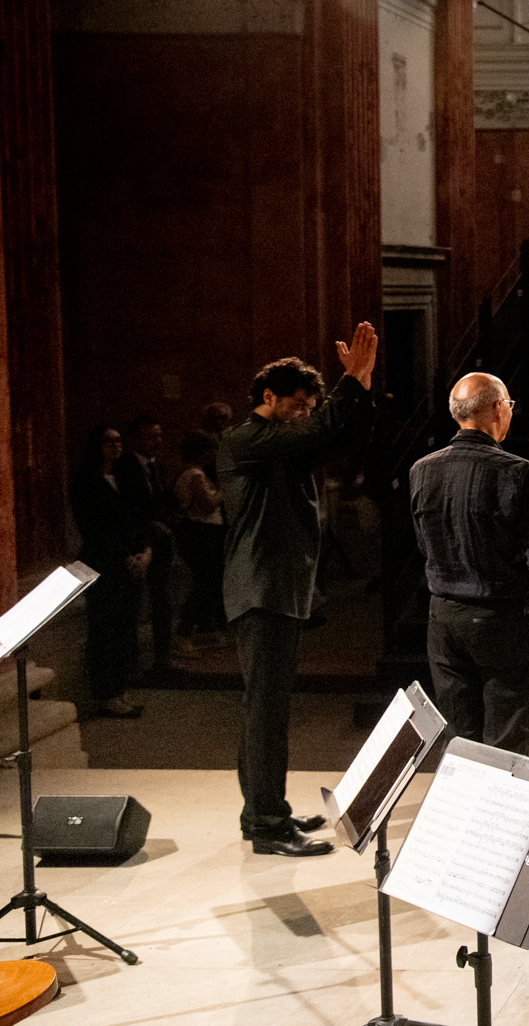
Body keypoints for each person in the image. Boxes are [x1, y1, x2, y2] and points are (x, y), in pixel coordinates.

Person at [220, 323, 378, 855]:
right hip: (260, 591)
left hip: (279, 592)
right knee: (265, 711)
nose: (308, 411)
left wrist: (361, 386)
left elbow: (339, 438)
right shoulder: (246, 439)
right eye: (299, 403)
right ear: (269, 398)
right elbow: (316, 433)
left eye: (314, 403)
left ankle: (266, 811)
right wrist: (347, 383)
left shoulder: (284, 446)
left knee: (270, 709)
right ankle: (265, 824)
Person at [411, 374, 529, 754]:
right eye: (509, 403)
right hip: (501, 616)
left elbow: (425, 545)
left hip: (442, 617)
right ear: (496, 407)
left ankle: (462, 812)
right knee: (507, 738)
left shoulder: (421, 470)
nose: (510, 410)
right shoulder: (516, 471)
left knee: (459, 738)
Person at [71, 425, 149, 718]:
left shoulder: (127, 478)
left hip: (132, 562)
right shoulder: (86, 482)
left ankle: (119, 688)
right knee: (104, 628)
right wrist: (126, 556)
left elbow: (140, 518)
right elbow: (93, 528)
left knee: (125, 628)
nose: (115, 446)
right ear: (97, 446)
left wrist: (144, 552)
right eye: (108, 441)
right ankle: (105, 692)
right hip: (102, 562)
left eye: (118, 441)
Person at [120, 414, 183, 671]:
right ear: (135, 438)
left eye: (158, 435)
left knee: (163, 598)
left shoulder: (157, 466)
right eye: (149, 435)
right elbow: (129, 505)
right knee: (132, 601)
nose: (156, 441)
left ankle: (163, 657)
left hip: (161, 538)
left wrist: (172, 517)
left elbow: (164, 497)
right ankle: (131, 661)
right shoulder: (125, 467)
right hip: (137, 540)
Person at [173, 429, 227, 651]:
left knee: (208, 582)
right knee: (204, 583)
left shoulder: (190, 473)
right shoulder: (195, 475)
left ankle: (206, 629)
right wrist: (224, 491)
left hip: (202, 532)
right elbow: (206, 505)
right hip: (201, 533)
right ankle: (183, 633)